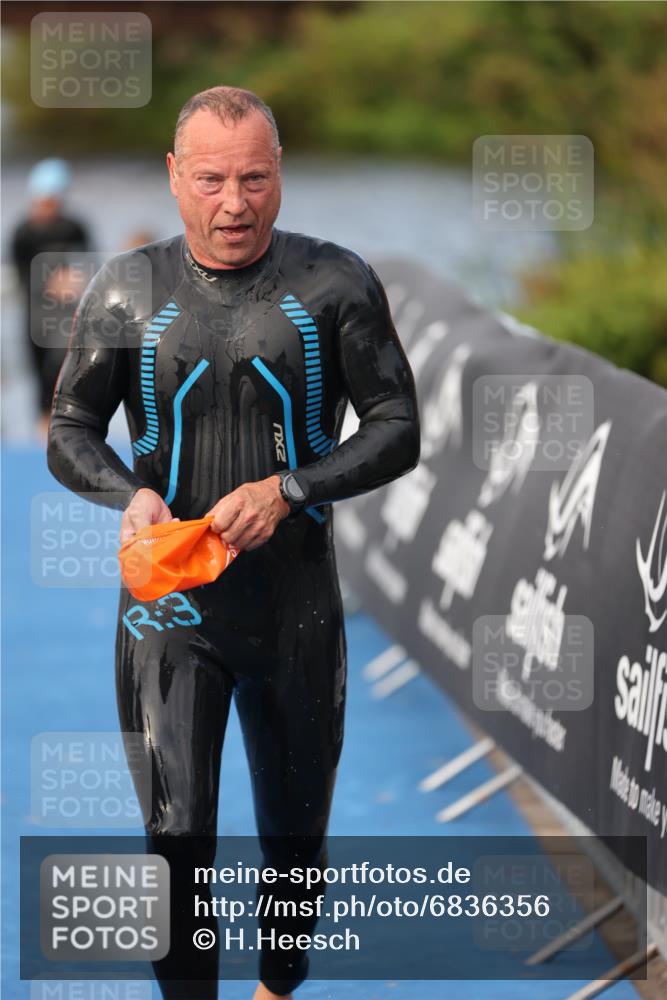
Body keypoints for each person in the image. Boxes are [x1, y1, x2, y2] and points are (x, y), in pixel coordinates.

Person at [47, 86, 420, 999]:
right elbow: (69, 428)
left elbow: (397, 425)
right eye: (211, 180)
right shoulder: (128, 288)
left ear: (278, 174)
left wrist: (291, 490)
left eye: (253, 179)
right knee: (176, 839)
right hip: (169, 609)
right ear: (174, 177)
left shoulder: (335, 283)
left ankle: (275, 985)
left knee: (294, 843)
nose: (234, 203)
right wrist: (129, 493)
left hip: (296, 606)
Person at [11, 158, 92, 435]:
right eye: (44, 201)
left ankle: (67, 427)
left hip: (67, 315)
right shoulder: (23, 234)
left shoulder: (74, 228)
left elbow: (89, 263)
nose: (48, 207)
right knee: (39, 376)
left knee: (64, 370)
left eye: (53, 201)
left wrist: (77, 280)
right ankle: (41, 432)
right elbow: (21, 277)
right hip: (36, 314)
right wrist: (49, 283)